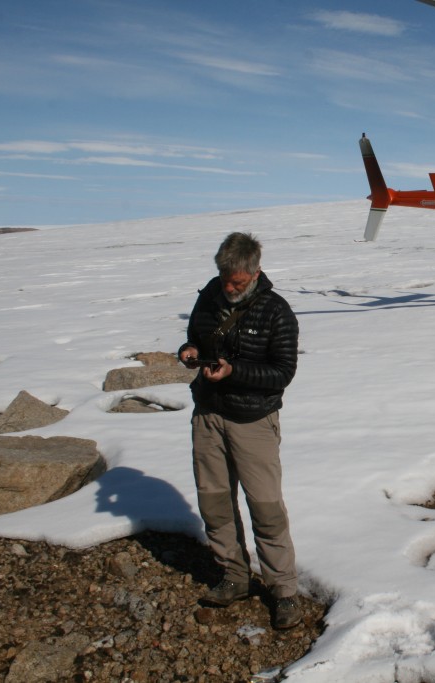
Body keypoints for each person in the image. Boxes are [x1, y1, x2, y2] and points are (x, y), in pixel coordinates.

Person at [178, 231, 302, 629]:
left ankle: (283, 590)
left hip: (253, 422)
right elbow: (196, 334)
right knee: (214, 503)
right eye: (224, 278)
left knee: (266, 508)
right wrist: (190, 352)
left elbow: (283, 373)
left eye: (237, 282)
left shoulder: (276, 311)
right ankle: (234, 576)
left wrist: (235, 371)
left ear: (255, 272)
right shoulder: (210, 295)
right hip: (208, 415)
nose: (228, 287)